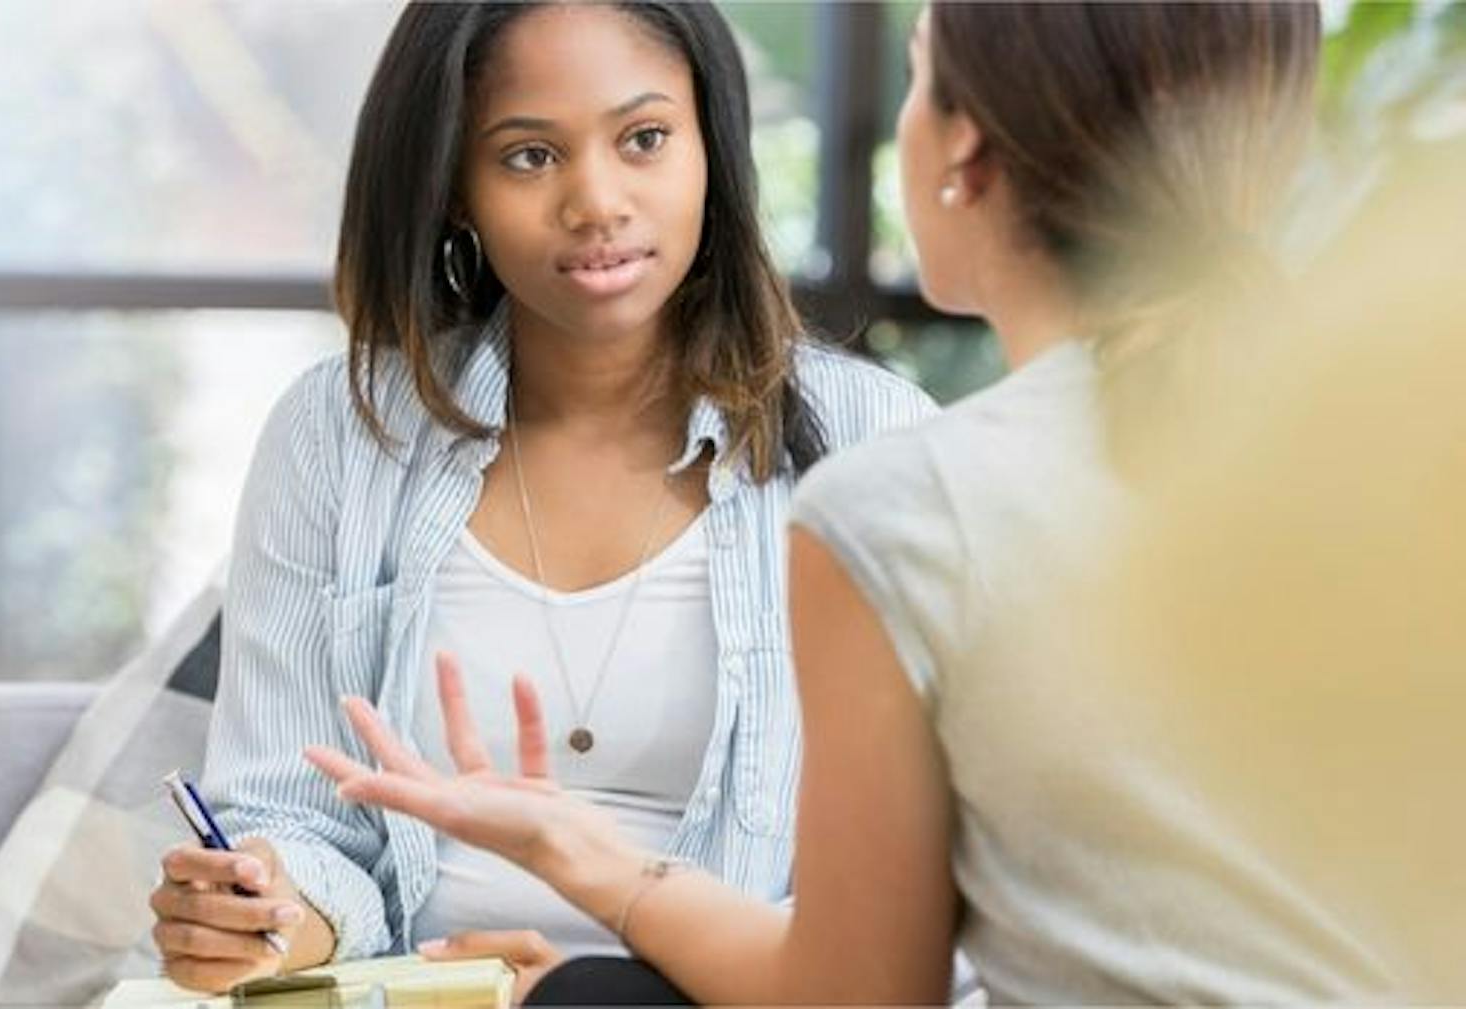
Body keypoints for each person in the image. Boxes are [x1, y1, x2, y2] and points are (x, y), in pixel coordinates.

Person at [306, 2, 1410, 1003]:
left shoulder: (900, 497)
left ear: (961, 152)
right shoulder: (1392, 443)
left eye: (920, 75)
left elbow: (859, 995)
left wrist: (576, 860)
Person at [148, 1, 933, 996]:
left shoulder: (879, 443)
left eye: (645, 139)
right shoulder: (339, 434)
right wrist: (263, 911)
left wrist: (620, 981)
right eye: (528, 156)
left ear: (712, 152)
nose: (596, 201)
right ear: (455, 188)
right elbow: (292, 812)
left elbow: (901, 891)